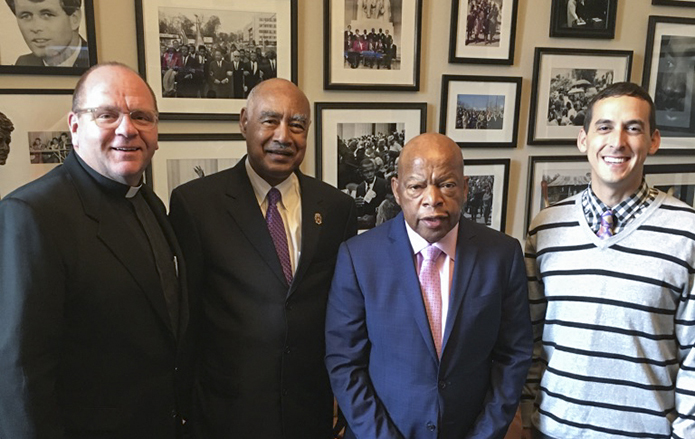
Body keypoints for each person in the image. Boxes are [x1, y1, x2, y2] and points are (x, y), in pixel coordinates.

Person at [0, 63, 192, 438]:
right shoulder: (32, 215)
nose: (127, 128)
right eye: (107, 114)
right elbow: (20, 375)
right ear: (75, 126)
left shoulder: (147, 200)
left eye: (141, 116)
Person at [169, 78, 357, 439]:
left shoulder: (336, 208)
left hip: (310, 409)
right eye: (270, 120)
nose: (284, 136)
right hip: (226, 411)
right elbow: (186, 316)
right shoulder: (195, 204)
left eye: (297, 125)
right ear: (244, 122)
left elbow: (344, 313)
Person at [326, 132, 532, 439]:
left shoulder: (502, 254)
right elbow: (344, 363)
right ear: (397, 190)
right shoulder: (358, 257)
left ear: (464, 188)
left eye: (447, 184)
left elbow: (513, 355)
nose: (432, 199)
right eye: (416, 186)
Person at [522, 82, 695, 439]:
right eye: (604, 127)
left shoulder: (687, 233)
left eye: (633, 128)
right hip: (552, 431)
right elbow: (529, 340)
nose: (617, 141)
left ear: (653, 141)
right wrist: (524, 421)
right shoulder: (545, 229)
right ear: (583, 140)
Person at [6, 0, 90, 67]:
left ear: (74, 18)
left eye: (47, 15)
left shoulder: (97, 63)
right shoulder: (24, 63)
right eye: (25, 16)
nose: (36, 28)